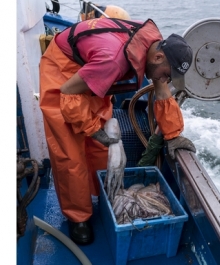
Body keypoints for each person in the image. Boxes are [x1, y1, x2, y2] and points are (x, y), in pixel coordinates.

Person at [38, 8, 196, 245]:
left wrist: (173, 135)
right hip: (64, 73)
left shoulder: (156, 48)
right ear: (158, 58)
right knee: (71, 155)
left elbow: (161, 90)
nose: (166, 80)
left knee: (104, 149)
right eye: (167, 74)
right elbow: (68, 92)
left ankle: (103, 195)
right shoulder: (113, 61)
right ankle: (78, 217)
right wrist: (91, 129)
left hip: (93, 69)